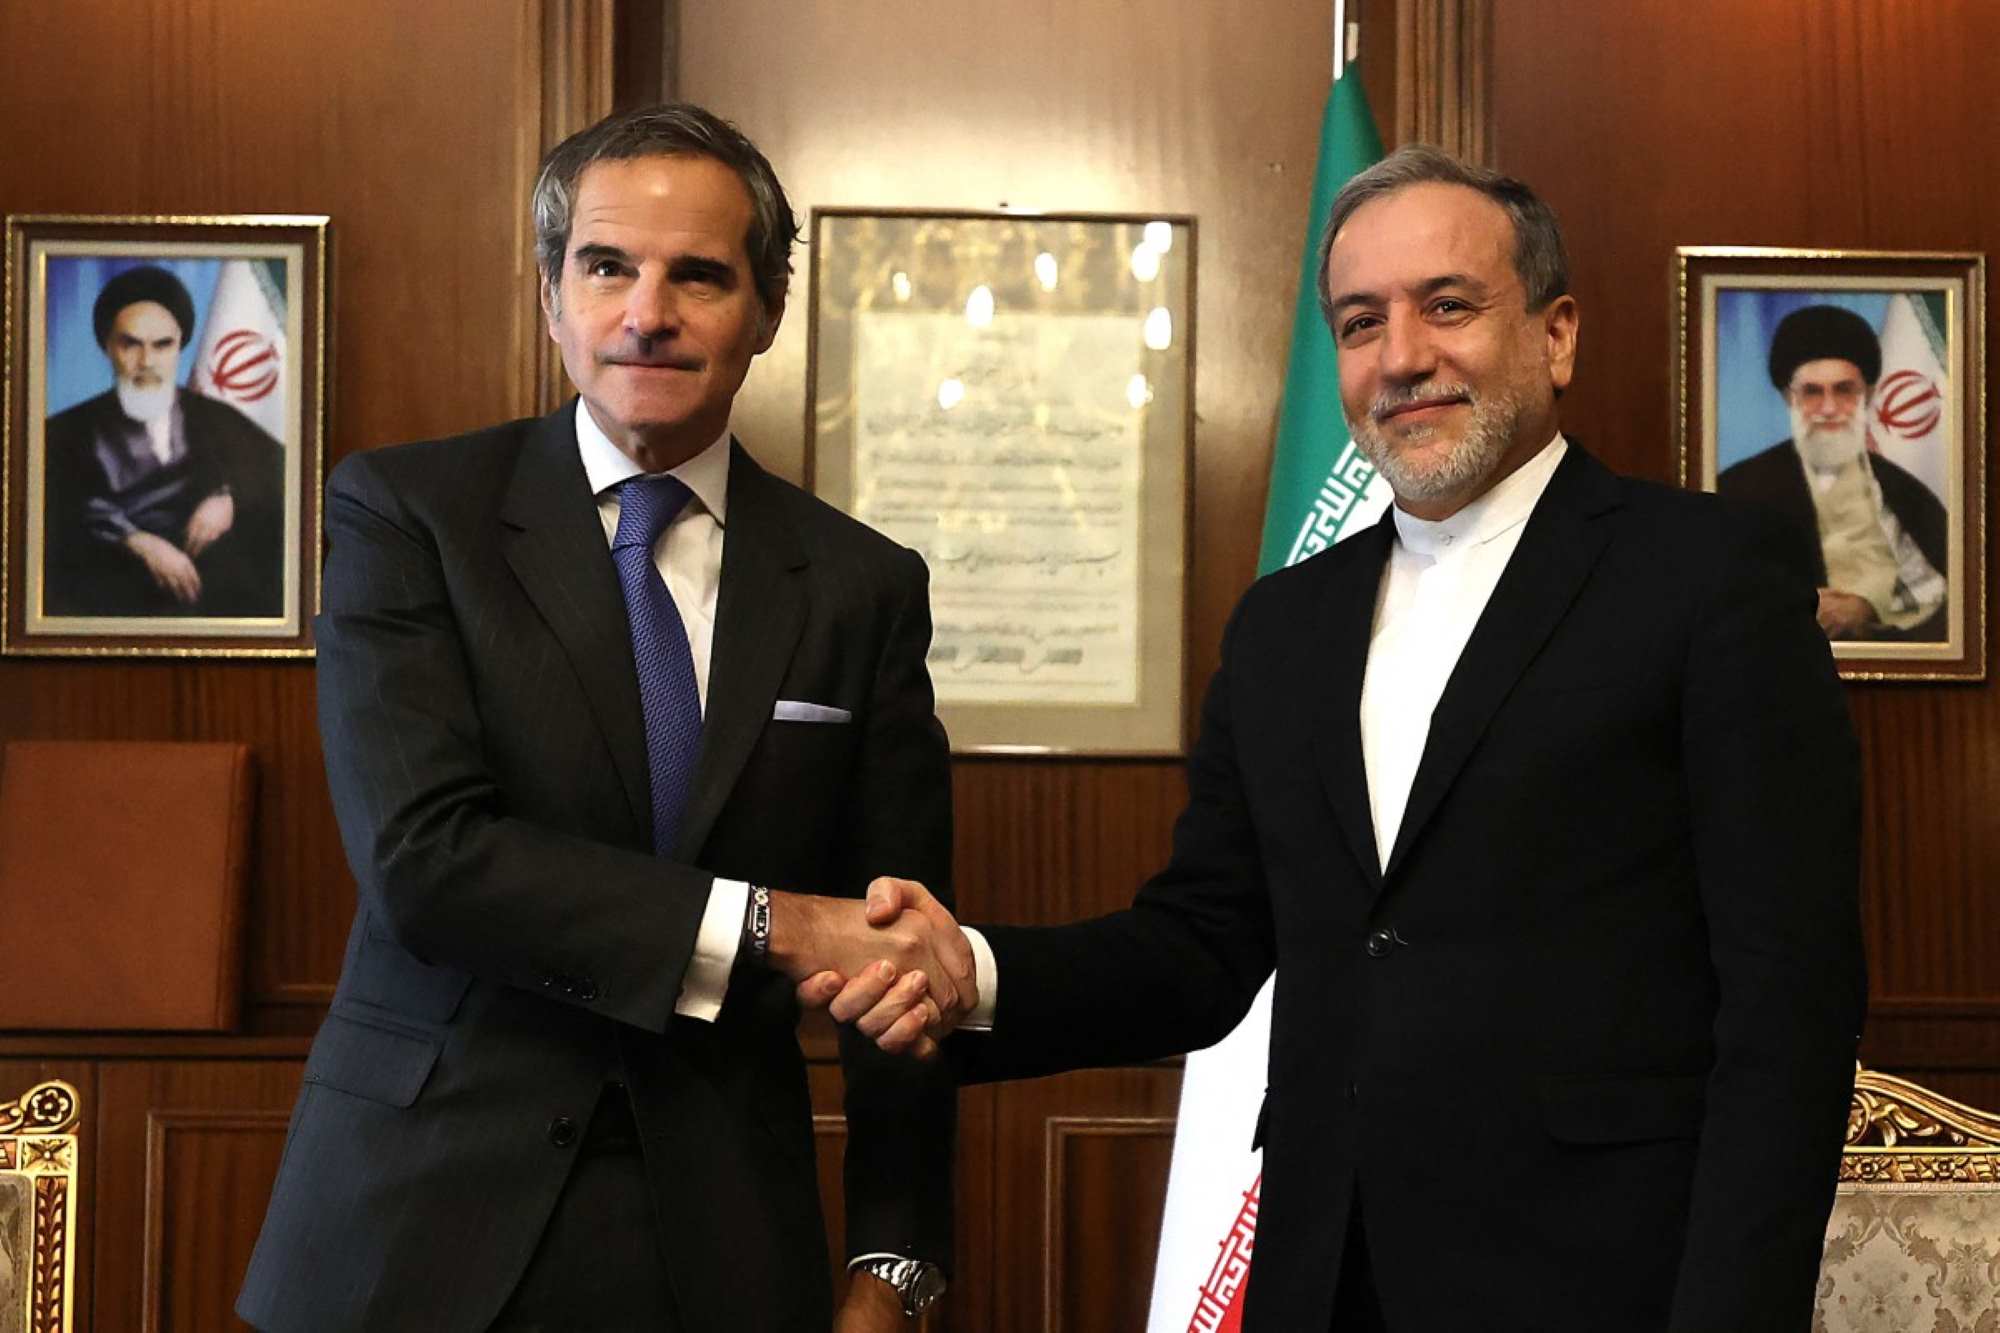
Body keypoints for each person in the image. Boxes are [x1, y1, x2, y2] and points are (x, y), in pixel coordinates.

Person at [835, 146, 1866, 1331]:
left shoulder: (1710, 577)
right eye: (1360, 321)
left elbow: (1788, 1007)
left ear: (1556, 333)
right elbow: (1202, 945)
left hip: (1606, 1281)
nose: (1402, 357)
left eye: (1447, 305)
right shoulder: (1284, 625)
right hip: (1326, 1280)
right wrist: (975, 971)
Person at [237, 104, 975, 1333]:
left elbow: (897, 951)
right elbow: (426, 863)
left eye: (699, 273)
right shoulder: (409, 513)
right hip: (409, 1232)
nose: (647, 311)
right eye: (606, 266)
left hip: (724, 1247)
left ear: (767, 310)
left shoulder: (860, 584)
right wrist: (774, 924)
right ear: (552, 297)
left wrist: (895, 1263)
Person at [41, 265, 284, 617]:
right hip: (108, 608)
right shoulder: (61, 434)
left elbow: (285, 484)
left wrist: (230, 498)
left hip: (213, 611)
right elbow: (52, 522)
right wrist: (136, 541)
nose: (147, 361)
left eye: (162, 345)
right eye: (130, 344)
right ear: (107, 346)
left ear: (179, 346)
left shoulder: (220, 420)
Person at [1717, 303, 1947, 641]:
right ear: (1787, 397)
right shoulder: (1738, 488)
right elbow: (1717, 590)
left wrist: (1867, 607)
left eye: (1843, 390)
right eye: (1812, 392)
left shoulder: (1907, 493)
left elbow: (1948, 594)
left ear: (1866, 395)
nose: (1828, 408)